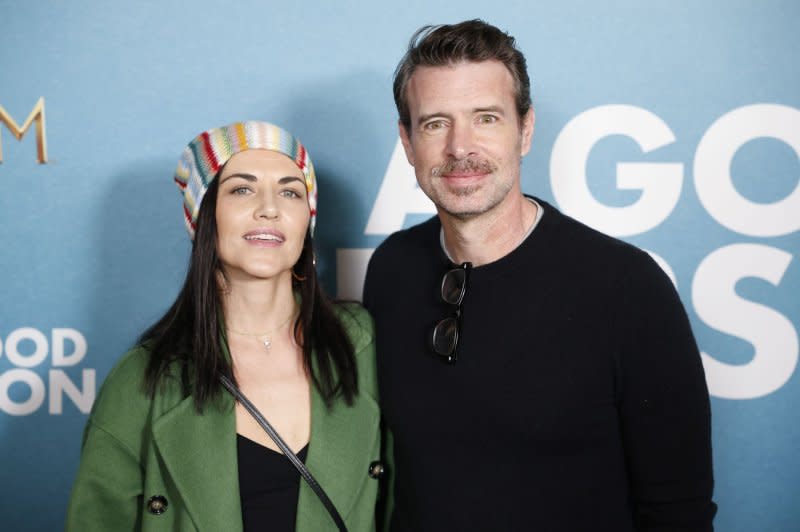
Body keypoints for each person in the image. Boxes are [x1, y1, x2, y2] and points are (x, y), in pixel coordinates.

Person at [363, 20, 717, 531]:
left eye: (485, 118)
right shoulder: (392, 269)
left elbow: (678, 510)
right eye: (435, 122)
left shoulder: (627, 288)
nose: (460, 147)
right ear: (407, 140)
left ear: (525, 130)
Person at [67, 121, 382, 531]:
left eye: (290, 191)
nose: (269, 208)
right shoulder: (143, 380)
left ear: (307, 219)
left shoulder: (363, 345)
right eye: (242, 189)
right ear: (205, 216)